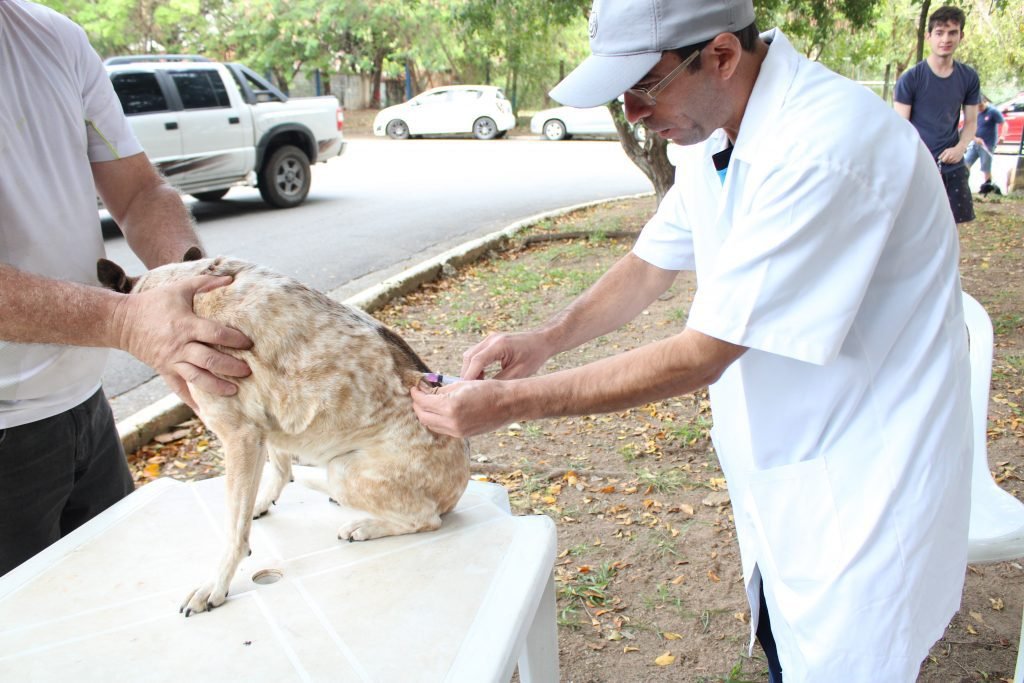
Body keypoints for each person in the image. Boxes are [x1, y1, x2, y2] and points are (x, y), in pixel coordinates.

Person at [411, 0, 972, 680]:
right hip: (790, 474)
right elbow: (652, 261)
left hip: (863, 484)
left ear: (722, 55)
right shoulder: (715, 129)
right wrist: (546, 338)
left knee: (844, 658)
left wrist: (510, 403)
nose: (634, 116)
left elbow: (704, 351)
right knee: (785, 649)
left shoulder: (827, 147)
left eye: (643, 89)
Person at [0, 1, 252, 576]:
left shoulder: (52, 38)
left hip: (83, 410)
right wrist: (128, 322)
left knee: (114, 614)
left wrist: (193, 288)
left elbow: (140, 192)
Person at [894, 5, 980, 223]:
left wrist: (960, 149)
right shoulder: (911, 79)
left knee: (952, 229)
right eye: (940, 33)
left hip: (951, 165)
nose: (946, 39)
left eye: (952, 32)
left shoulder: (969, 77)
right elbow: (900, 128)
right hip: (918, 165)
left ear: (961, 36)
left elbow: (971, 122)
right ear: (929, 36)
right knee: (915, 227)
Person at [964, 95, 1007, 195]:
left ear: (984, 102)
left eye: (981, 106)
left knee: (986, 167)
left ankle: (988, 188)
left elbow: (1004, 124)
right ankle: (964, 185)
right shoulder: (974, 112)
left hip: (987, 145)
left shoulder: (993, 111)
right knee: (966, 163)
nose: (980, 108)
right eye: (977, 106)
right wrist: (975, 138)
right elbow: (969, 128)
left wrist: (1002, 136)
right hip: (975, 144)